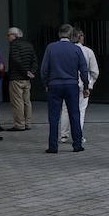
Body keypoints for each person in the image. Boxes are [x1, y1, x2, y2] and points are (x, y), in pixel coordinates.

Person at [39, 23, 89, 153]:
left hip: (54, 85)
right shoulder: (76, 49)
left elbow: (44, 69)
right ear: (71, 35)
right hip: (71, 85)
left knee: (54, 116)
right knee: (74, 114)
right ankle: (77, 145)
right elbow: (83, 69)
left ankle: (53, 146)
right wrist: (86, 86)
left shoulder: (50, 48)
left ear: (59, 34)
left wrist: (46, 84)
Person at [59, 28, 99, 148]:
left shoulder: (65, 50)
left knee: (66, 109)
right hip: (82, 84)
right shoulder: (88, 51)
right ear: (80, 37)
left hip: (67, 83)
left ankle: (63, 135)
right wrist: (90, 83)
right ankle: (78, 135)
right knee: (80, 111)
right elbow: (94, 71)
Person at [6, 27, 38, 131]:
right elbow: (34, 60)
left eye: (8, 35)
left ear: (14, 35)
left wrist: (25, 72)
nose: (7, 37)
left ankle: (19, 124)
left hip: (16, 78)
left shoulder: (14, 45)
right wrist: (31, 72)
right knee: (27, 102)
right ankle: (28, 123)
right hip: (27, 79)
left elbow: (16, 61)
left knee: (17, 102)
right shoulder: (29, 44)